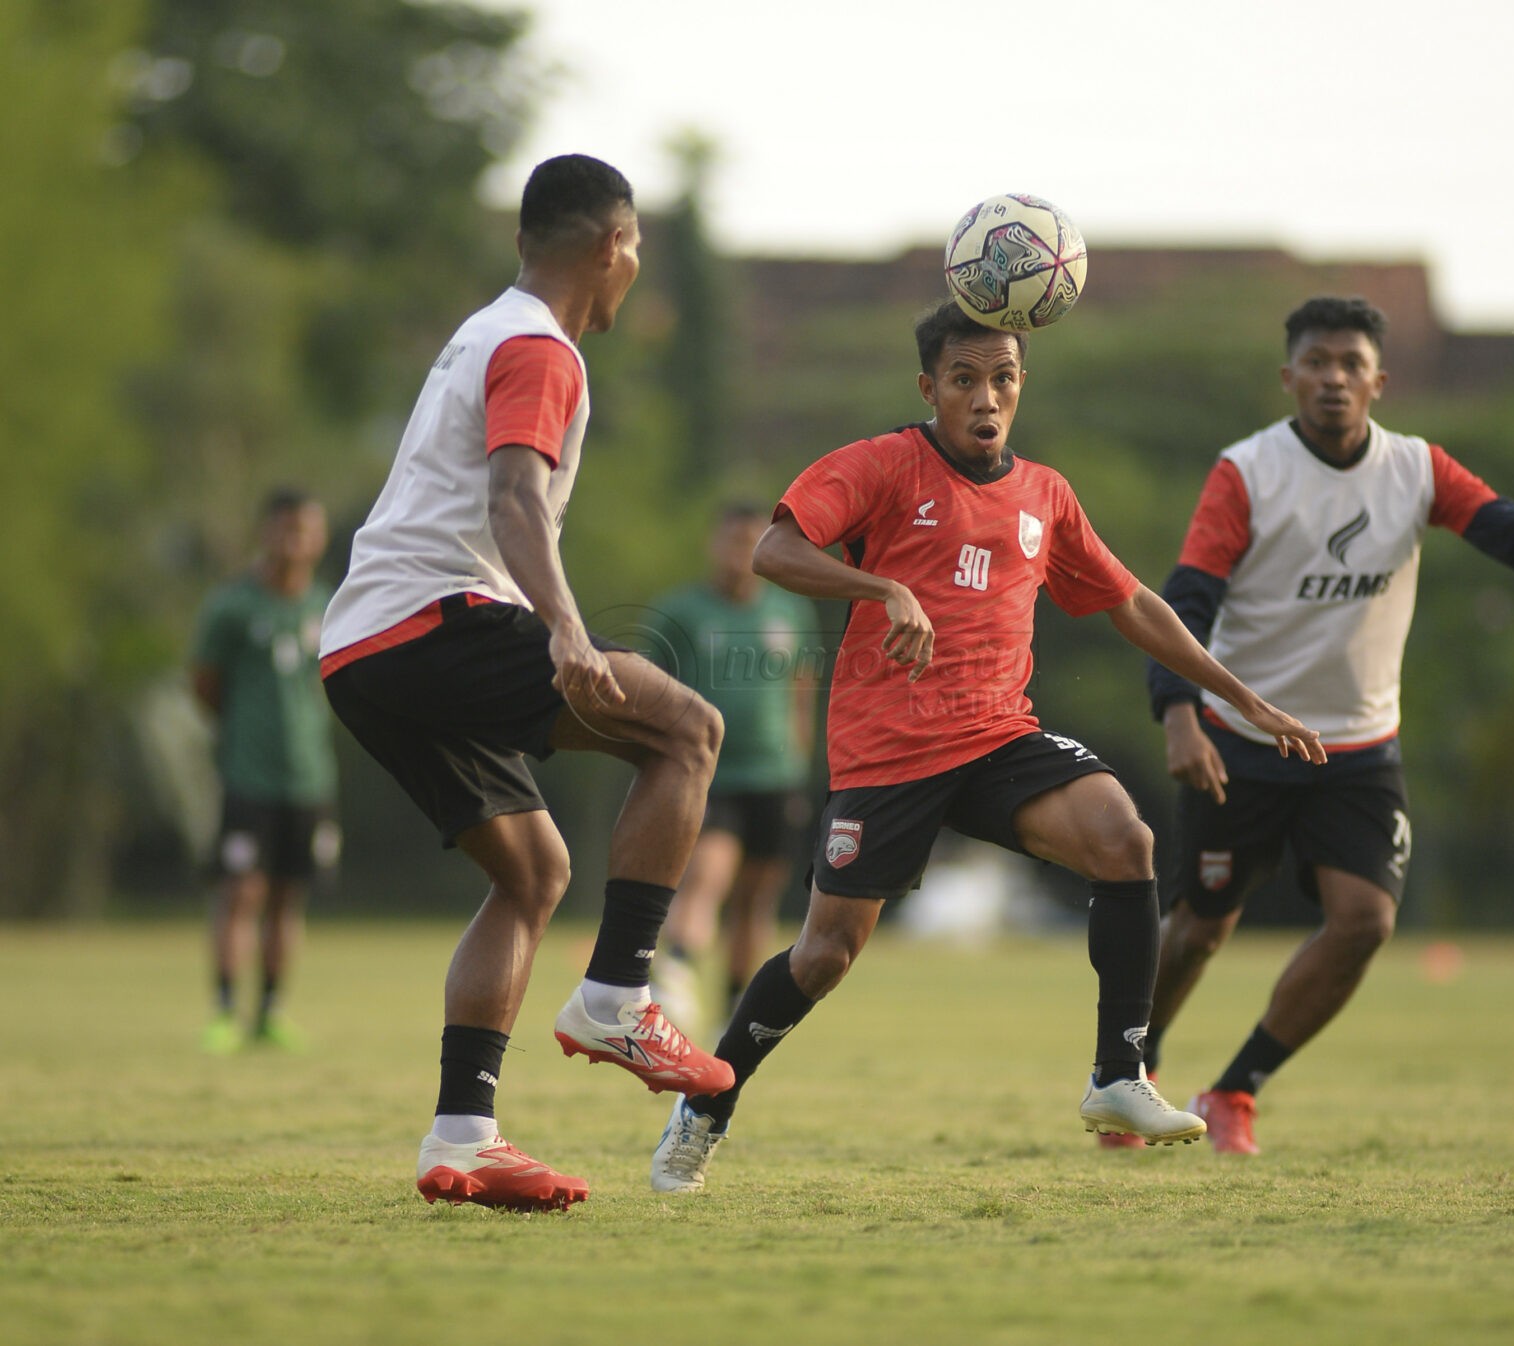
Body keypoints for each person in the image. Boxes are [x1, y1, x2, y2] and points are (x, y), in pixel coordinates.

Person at [648, 300, 1327, 1193]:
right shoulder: (884, 464)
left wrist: (1240, 696)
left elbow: (1131, 602)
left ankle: (1119, 1076)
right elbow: (776, 551)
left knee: (1124, 839)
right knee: (823, 956)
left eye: (1003, 379)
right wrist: (883, 587)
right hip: (888, 753)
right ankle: (706, 1107)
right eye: (964, 379)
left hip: (998, 735)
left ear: (1020, 388)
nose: (986, 396)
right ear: (929, 387)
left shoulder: (1046, 494)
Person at [319, 154, 732, 1214]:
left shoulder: (484, 326)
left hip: (361, 650)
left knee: (533, 868)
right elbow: (514, 497)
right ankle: (618, 992)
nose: (634, 266)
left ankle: (465, 1132)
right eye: (635, 247)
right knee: (686, 728)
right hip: (433, 619)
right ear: (611, 245)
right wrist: (566, 629)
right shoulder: (540, 348)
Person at [1129, 295, 1514, 1155]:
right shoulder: (1248, 472)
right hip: (1242, 739)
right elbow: (1186, 603)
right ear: (1289, 377)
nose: (1334, 379)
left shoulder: (1417, 470)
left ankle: (1236, 1088)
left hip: (1358, 748)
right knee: (1201, 927)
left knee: (1367, 922)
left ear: (1380, 381)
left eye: (1351, 364)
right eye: (1317, 362)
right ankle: (1134, 1071)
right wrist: (1180, 715)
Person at [649, 502, 819, 1036]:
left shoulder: (789, 613)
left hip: (774, 775)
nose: (740, 554)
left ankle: (735, 1007)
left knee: (757, 894)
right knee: (709, 871)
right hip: (706, 772)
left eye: (752, 543)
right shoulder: (681, 612)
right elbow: (648, 691)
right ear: (713, 545)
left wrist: (799, 767)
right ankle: (675, 965)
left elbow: (802, 694)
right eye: (732, 541)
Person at [192, 488, 339, 1055]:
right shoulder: (232, 606)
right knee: (241, 892)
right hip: (248, 776)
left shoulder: (326, 604)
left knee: (287, 895)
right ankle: (226, 1010)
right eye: (286, 529)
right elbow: (205, 685)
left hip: (309, 777)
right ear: (267, 532)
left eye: (307, 530)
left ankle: (272, 1011)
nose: (296, 541)